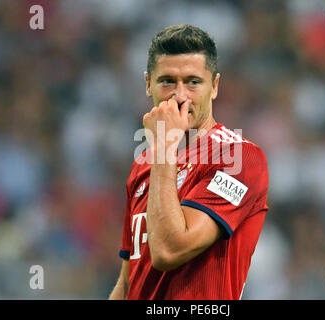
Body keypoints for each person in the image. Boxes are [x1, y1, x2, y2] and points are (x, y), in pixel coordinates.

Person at [109, 24, 269, 300]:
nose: (180, 95)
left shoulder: (239, 158)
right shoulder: (144, 165)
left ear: (215, 86)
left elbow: (169, 251)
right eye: (167, 81)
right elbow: (128, 283)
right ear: (148, 84)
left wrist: (163, 146)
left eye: (193, 82)